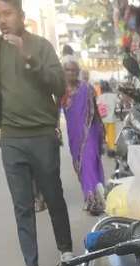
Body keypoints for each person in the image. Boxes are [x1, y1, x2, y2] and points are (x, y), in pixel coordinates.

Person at [0, 0, 75, 266]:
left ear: (21, 15)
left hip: (42, 134)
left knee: (53, 195)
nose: (2, 20)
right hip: (12, 138)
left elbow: (58, 85)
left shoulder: (41, 46)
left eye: (7, 13)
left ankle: (66, 251)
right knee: (22, 205)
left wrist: (28, 57)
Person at [61, 57, 105, 215]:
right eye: (68, 70)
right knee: (80, 165)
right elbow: (54, 112)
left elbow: (95, 111)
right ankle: (90, 195)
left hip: (90, 131)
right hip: (74, 136)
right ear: (63, 72)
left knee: (89, 162)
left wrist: (101, 129)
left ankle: (93, 199)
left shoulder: (87, 88)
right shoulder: (61, 91)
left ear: (78, 72)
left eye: (74, 70)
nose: (71, 73)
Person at [97, 80, 117, 155]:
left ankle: (101, 147)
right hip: (111, 119)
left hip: (103, 119)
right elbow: (118, 103)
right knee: (111, 135)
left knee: (102, 134)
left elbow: (97, 106)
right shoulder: (114, 96)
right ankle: (111, 149)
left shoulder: (100, 97)